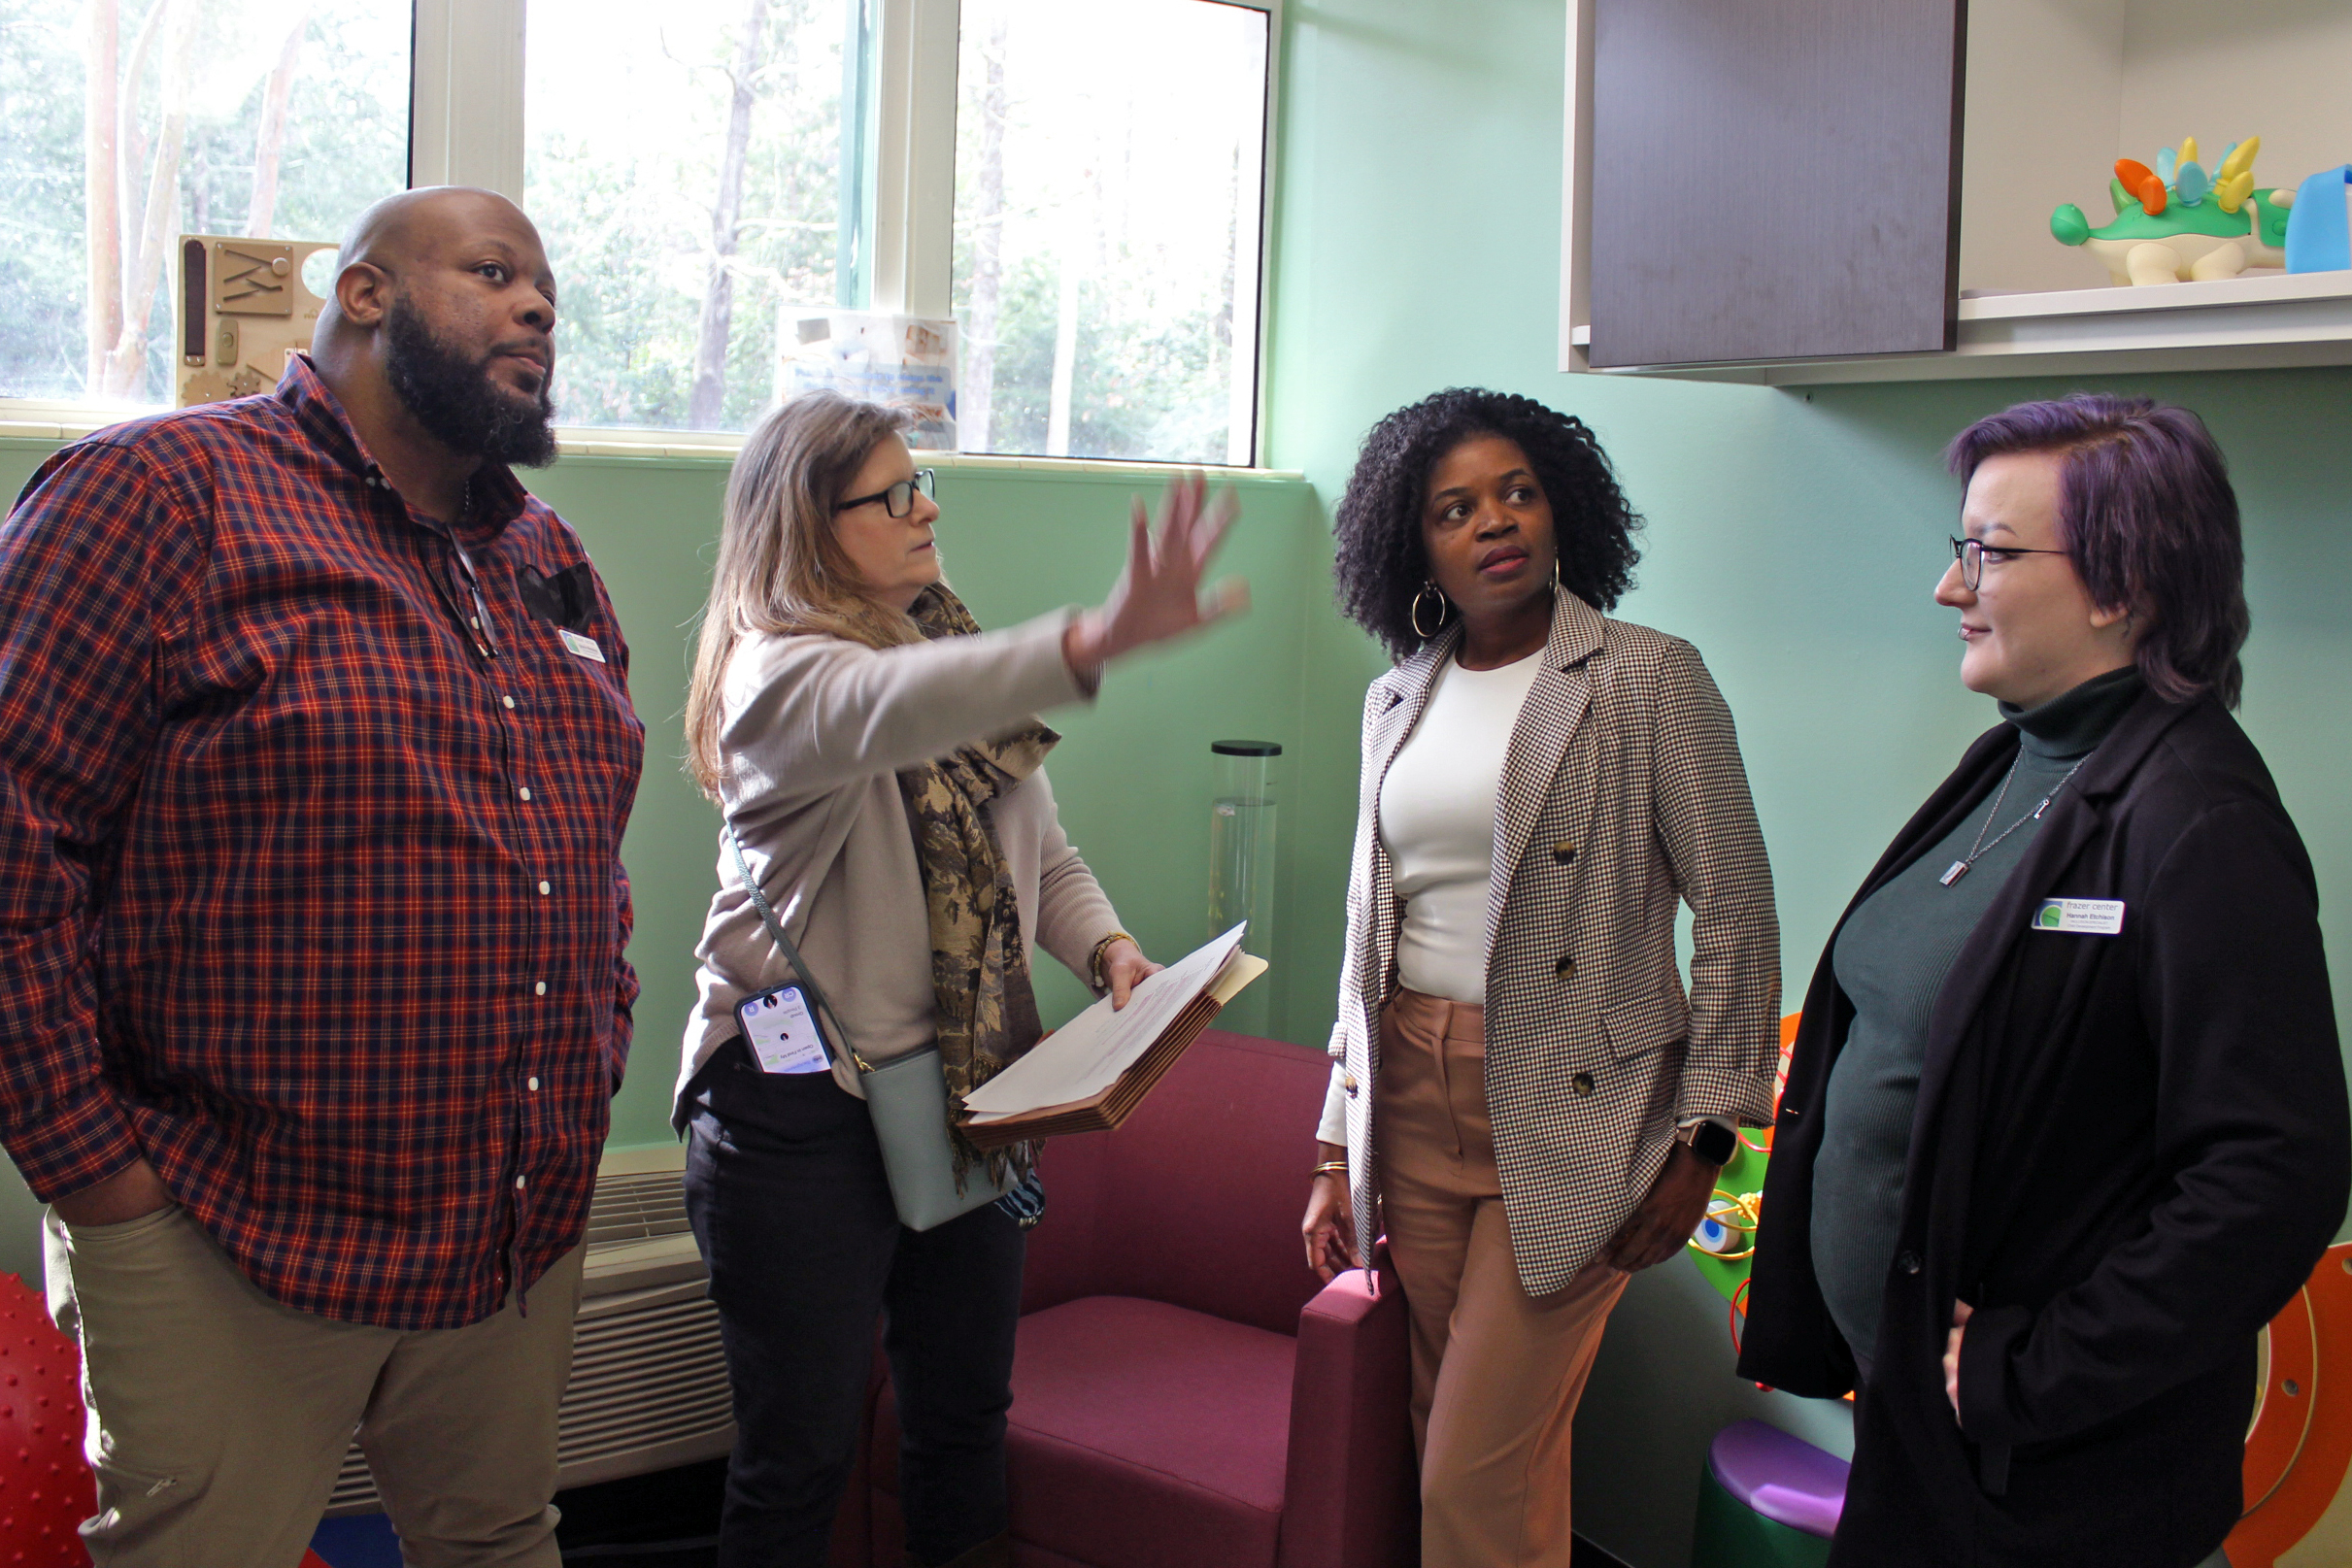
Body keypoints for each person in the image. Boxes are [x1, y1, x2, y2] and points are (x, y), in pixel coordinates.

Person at [0, 187, 644, 1565]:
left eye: (550, 291)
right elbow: (12, 836)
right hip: (226, 1221)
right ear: (362, 294)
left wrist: (594, 1054)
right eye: (494, 272)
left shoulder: (543, 559)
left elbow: (585, 844)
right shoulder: (158, 494)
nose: (539, 308)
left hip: (505, 1231)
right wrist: (94, 1173)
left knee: (499, 1543)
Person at [1738, 394, 2348, 1567]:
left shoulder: (2199, 823)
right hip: (1923, 1441)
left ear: (2124, 586)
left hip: (2056, 1489)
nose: (1949, 587)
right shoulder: (2018, 755)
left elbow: (2275, 1173)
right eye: (1956, 547)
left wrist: (2037, 1365)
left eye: (1989, 553)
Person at [675, 390, 1241, 1568]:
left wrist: (1106, 947)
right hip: (797, 1114)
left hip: (966, 1093)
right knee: (801, 1458)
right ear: (805, 524)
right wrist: (1091, 639)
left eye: (922, 480)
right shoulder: (778, 679)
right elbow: (884, 709)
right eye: (889, 495)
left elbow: (1037, 844)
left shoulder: (945, 642)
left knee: (962, 1420)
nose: (924, 506)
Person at [1297, 387, 1780, 1567]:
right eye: (1456, 508)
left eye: (1516, 492)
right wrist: (1328, 1142)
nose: (1494, 523)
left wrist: (1703, 1136)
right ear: (1415, 546)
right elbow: (1365, 930)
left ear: (1562, 510)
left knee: (1473, 1466)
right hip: (1408, 1097)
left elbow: (1736, 911)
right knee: (1465, 1450)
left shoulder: (1649, 678)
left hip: (1576, 1110)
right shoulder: (1395, 694)